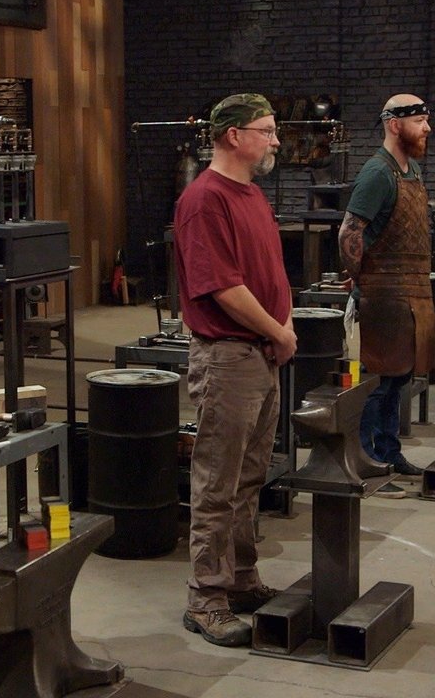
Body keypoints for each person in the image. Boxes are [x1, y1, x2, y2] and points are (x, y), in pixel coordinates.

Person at [173, 93, 296, 647]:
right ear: (233, 136)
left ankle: (241, 578)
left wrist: (283, 325)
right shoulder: (205, 200)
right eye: (266, 131)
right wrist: (278, 332)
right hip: (229, 357)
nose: (275, 141)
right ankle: (206, 599)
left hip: (261, 353)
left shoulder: (252, 194)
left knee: (250, 477)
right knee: (217, 482)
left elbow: (271, 272)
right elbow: (222, 287)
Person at [338, 94, 435, 498]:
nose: (427, 128)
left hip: (411, 293)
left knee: (398, 380)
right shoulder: (378, 173)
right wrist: (359, 278)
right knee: (377, 384)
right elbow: (349, 232)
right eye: (419, 120)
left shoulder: (411, 170)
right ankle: (366, 462)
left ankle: (389, 453)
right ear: (395, 124)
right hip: (383, 295)